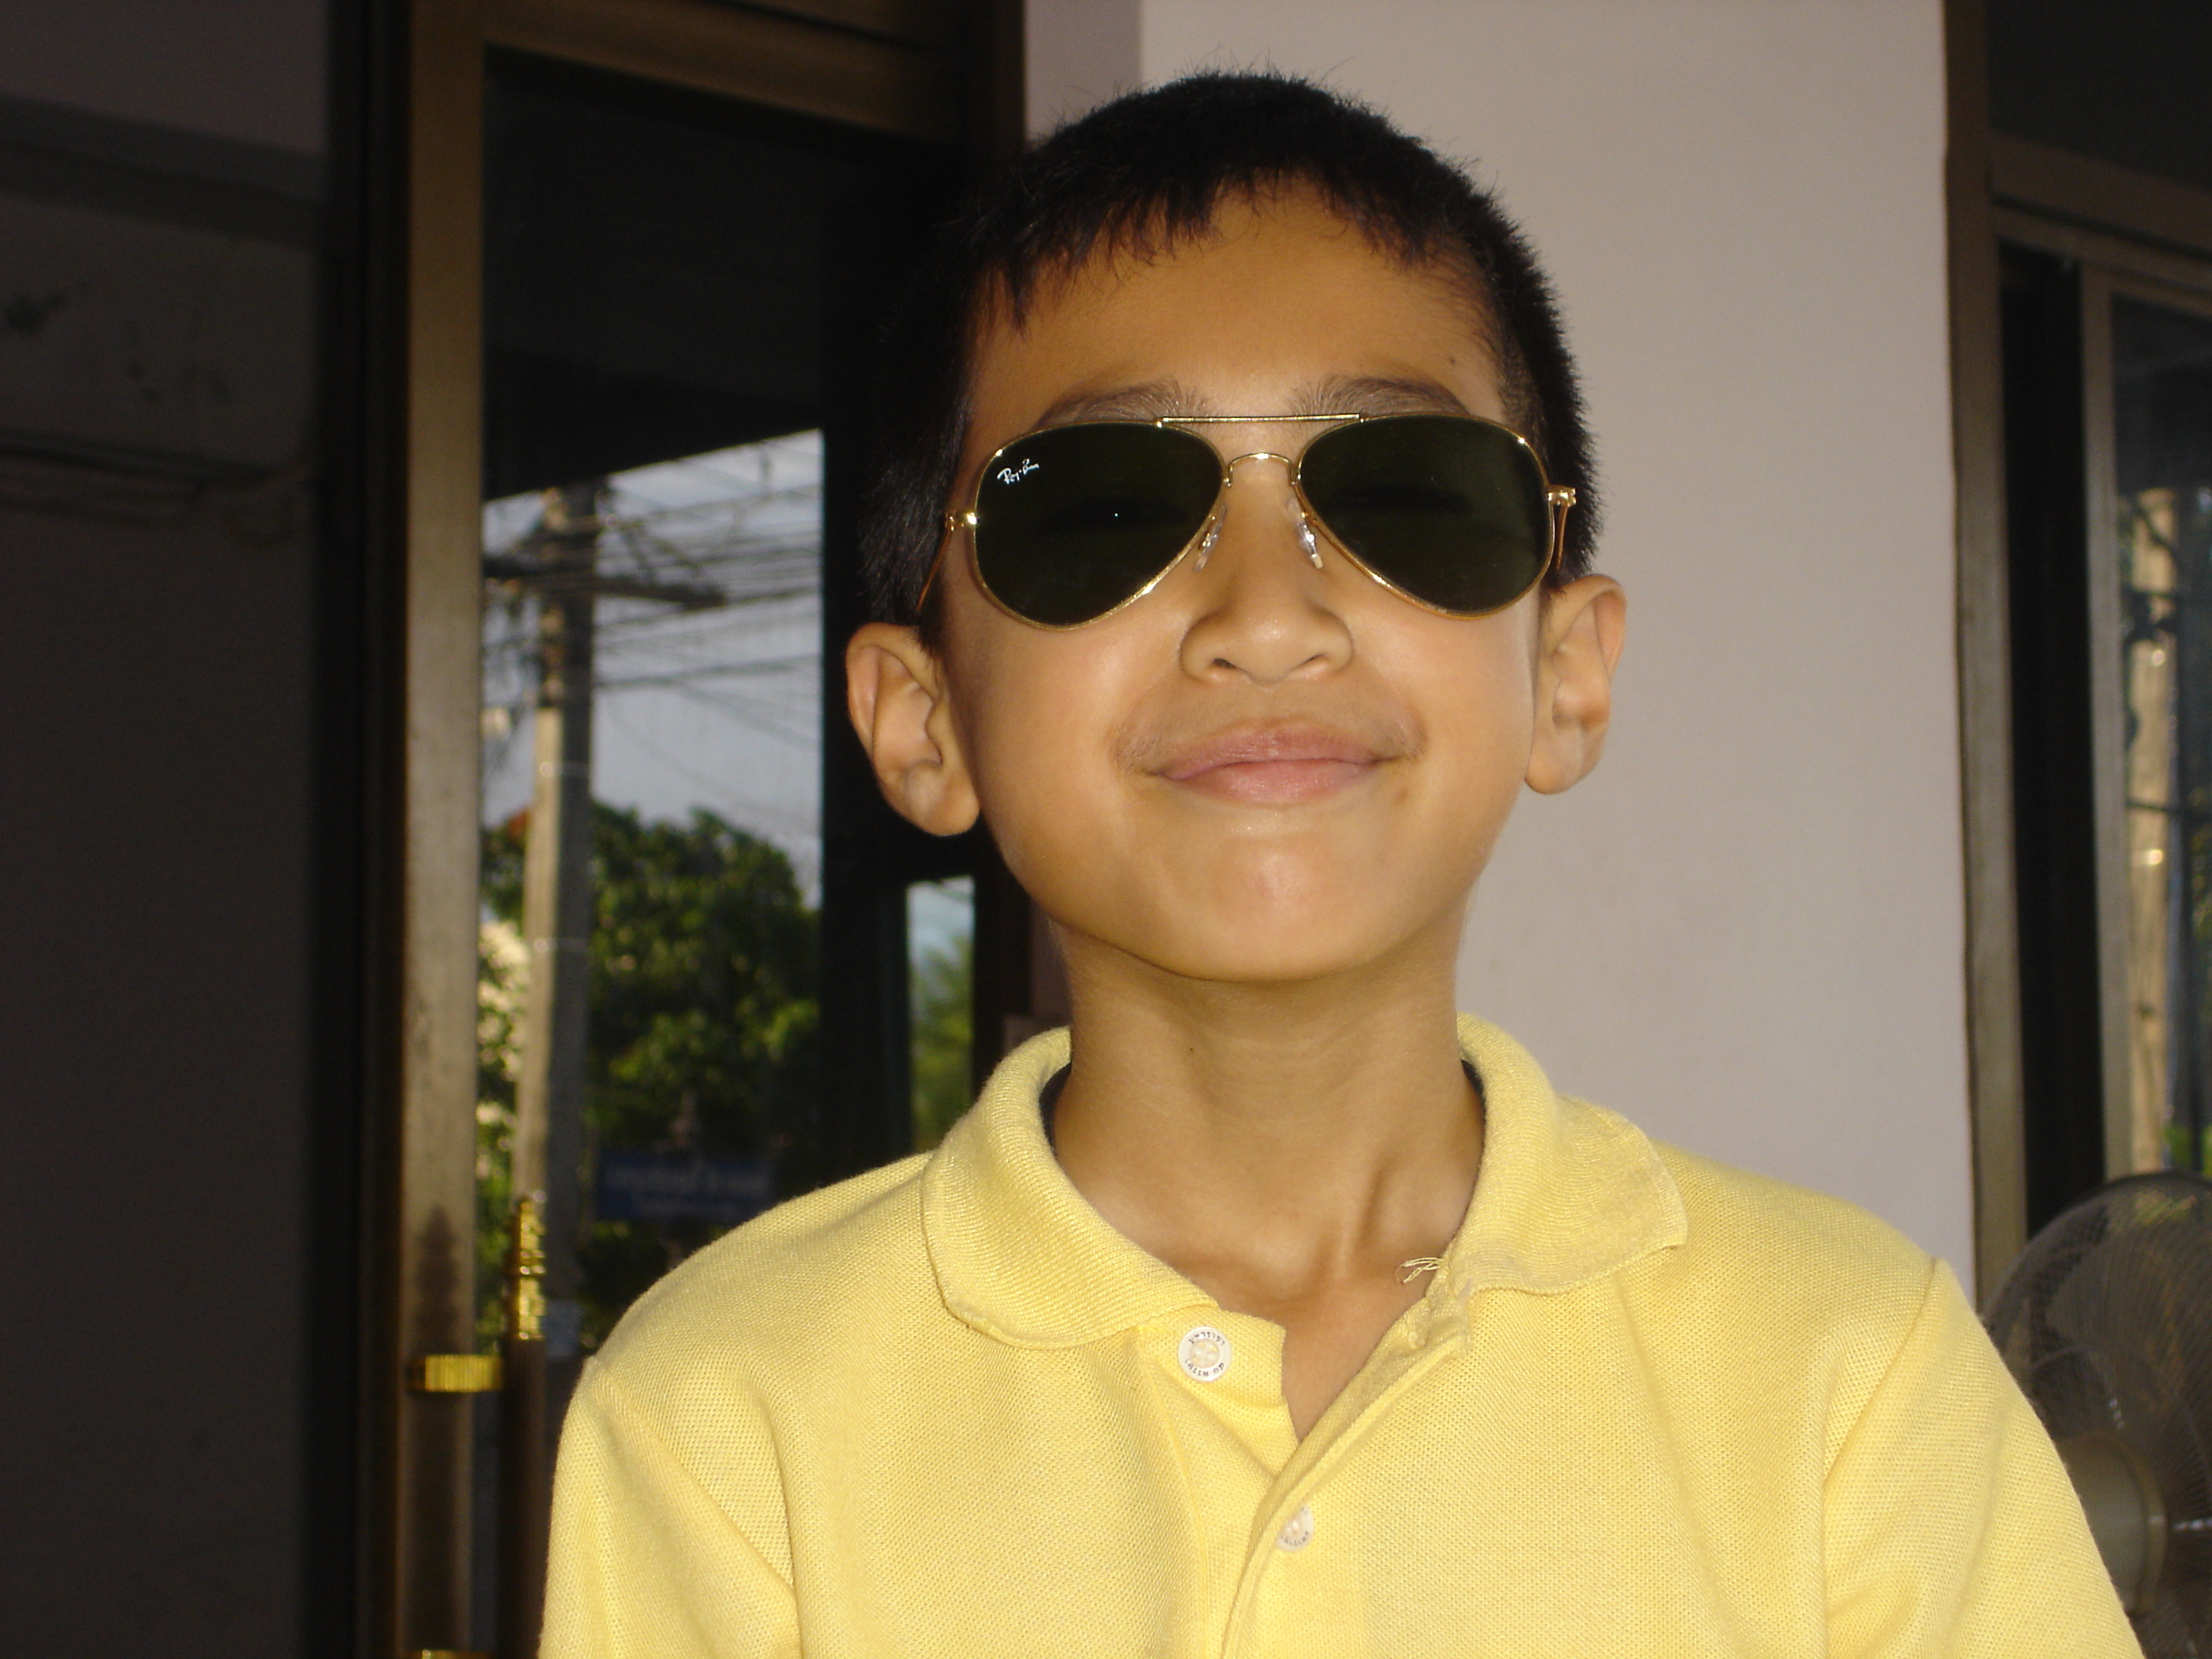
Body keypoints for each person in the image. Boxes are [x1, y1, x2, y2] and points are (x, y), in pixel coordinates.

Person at [541, 73, 2137, 1656]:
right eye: (1100, 510)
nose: (1267, 617)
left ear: (1565, 675)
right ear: (923, 719)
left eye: (1404, 496)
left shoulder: (1853, 1375)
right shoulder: (727, 1418)